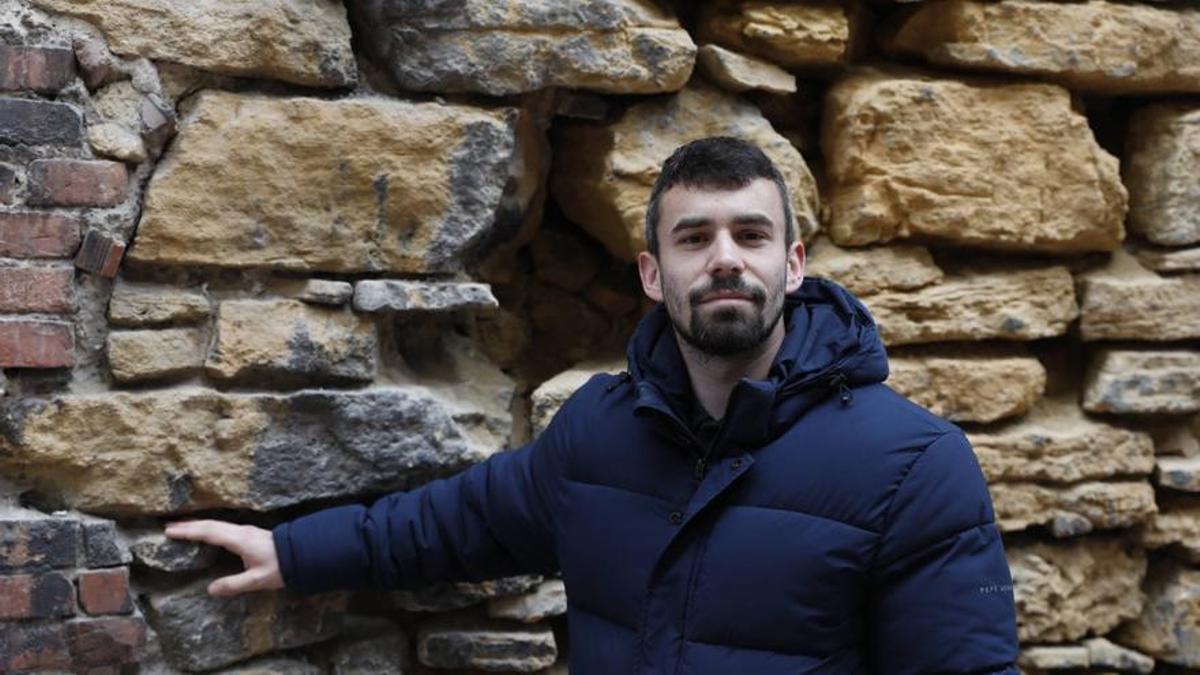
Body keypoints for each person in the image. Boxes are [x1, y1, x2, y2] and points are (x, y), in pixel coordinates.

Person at [166, 137, 1019, 673]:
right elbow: (455, 522)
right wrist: (293, 550)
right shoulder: (600, 432)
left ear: (793, 265)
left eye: (750, 235)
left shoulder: (914, 465)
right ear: (653, 275)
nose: (725, 258)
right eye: (694, 237)